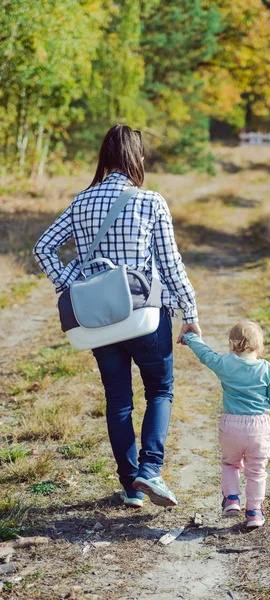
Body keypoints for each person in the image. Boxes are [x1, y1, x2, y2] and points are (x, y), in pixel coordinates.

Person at [33, 124, 201, 508]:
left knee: (118, 400)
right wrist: (189, 310)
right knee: (160, 389)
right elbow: (170, 263)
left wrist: (68, 284)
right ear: (135, 158)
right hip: (144, 315)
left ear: (105, 158)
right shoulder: (150, 201)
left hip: (100, 319)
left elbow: (43, 248)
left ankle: (130, 488)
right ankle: (151, 470)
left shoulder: (82, 201)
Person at [183, 320, 270, 528]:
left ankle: (231, 499)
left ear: (232, 345)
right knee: (257, 471)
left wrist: (190, 337)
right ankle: (254, 512)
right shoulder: (266, 369)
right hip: (259, 427)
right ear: (259, 346)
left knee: (230, 464)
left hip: (231, 425)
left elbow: (205, 354)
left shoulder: (225, 364)